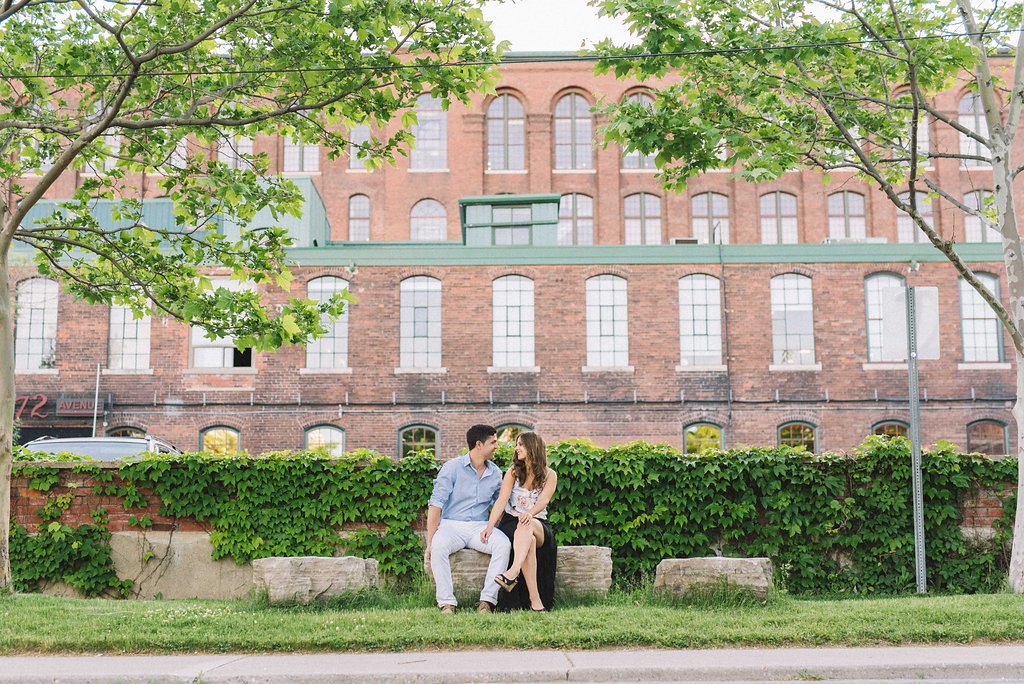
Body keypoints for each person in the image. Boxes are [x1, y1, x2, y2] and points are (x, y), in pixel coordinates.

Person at [425, 424, 511, 613]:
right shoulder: (452, 467)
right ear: (479, 444)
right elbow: (436, 504)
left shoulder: (496, 473)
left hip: (479, 528)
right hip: (451, 525)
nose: (497, 446)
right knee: (438, 547)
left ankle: (487, 601)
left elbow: (500, 505)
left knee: (503, 545)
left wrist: (491, 526)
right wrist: (430, 542)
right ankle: (447, 603)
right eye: (493, 442)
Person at [481, 431, 558, 611]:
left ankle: (513, 572)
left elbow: (543, 501)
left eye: (521, 445)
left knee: (528, 525)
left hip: (537, 522)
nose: (516, 448)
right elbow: (501, 501)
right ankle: (536, 601)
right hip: (511, 522)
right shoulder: (513, 472)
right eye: (516, 444)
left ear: (533, 447)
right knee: (527, 537)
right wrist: (490, 526)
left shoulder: (550, 475)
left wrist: (529, 513)